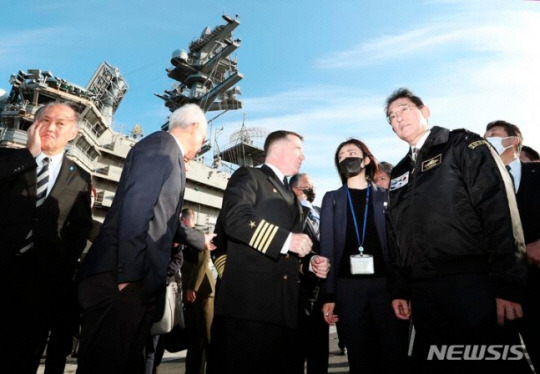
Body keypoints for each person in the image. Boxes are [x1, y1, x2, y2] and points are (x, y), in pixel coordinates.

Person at [384, 88, 530, 373]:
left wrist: (508, 285)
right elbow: (395, 234)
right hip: (424, 292)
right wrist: (399, 288)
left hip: (472, 285)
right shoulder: (399, 171)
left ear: (425, 110)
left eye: (403, 109)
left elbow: (499, 209)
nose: (397, 118)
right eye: (391, 116)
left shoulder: (462, 144)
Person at [76, 103, 208, 374]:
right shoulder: (162, 147)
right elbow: (136, 210)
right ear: (194, 127)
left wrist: (200, 238)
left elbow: (164, 217)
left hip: (134, 281)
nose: (201, 145)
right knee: (104, 363)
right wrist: (127, 277)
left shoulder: (168, 153)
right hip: (121, 280)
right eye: (203, 138)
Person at [208, 130, 330, 374]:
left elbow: (293, 254)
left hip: (286, 310)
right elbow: (236, 219)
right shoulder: (249, 176)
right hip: (250, 307)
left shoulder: (293, 199)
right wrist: (286, 240)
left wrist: (310, 262)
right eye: (298, 149)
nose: (303, 157)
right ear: (277, 150)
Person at [0, 102, 93, 373]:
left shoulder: (80, 179)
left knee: (25, 355)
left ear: (73, 133)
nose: (51, 127)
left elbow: (78, 229)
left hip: (42, 284)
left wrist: (60, 268)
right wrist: (29, 154)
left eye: (60, 123)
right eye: (45, 120)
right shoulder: (9, 158)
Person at [319, 139, 408, 374]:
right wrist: (328, 294)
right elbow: (327, 248)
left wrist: (400, 290)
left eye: (352, 152)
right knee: (360, 356)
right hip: (348, 289)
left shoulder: (385, 196)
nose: (346, 157)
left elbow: (396, 246)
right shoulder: (332, 198)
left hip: (385, 287)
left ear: (366, 159)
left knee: (393, 353)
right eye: (341, 156)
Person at [484, 120, 540, 371]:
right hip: (499, 294)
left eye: (493, 135)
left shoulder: (537, 175)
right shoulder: (479, 187)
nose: (487, 140)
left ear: (513, 141)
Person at [290, 173, 330, 374]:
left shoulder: (322, 212)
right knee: (296, 351)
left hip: (323, 292)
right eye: (308, 185)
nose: (312, 188)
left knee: (320, 351)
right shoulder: (289, 214)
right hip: (299, 292)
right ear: (296, 190)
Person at [180, 208, 216, 374]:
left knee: (208, 338)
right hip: (191, 294)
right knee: (195, 340)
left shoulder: (197, 235)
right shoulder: (187, 238)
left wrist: (192, 288)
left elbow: (202, 262)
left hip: (203, 293)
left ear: (185, 220)